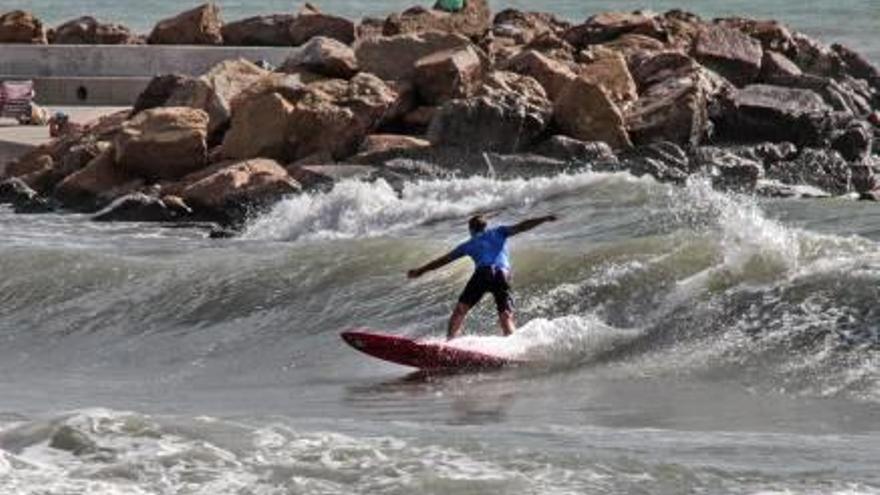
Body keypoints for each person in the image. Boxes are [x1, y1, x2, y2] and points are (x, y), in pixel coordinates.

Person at [407, 214, 558, 340]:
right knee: (506, 316)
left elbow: (442, 260)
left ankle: (450, 344)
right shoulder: (499, 232)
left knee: (460, 311)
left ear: (471, 229)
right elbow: (522, 226)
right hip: (503, 275)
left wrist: (421, 270)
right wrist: (543, 219)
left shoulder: (469, 244)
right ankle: (513, 347)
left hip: (483, 273)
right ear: (485, 227)